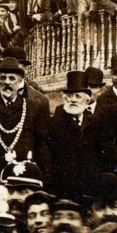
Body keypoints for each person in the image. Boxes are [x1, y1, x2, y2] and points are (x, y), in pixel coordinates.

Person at [0, 58, 50, 185]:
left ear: (19, 80)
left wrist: (45, 177)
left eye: (12, 78)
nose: (7, 82)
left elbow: (41, 145)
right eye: (3, 78)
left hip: (23, 176)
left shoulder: (33, 108)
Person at [47, 70, 100, 200]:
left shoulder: (95, 123)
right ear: (65, 98)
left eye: (78, 96)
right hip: (63, 188)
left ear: (87, 100)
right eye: (70, 96)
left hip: (89, 188)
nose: (73, 100)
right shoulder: (54, 125)